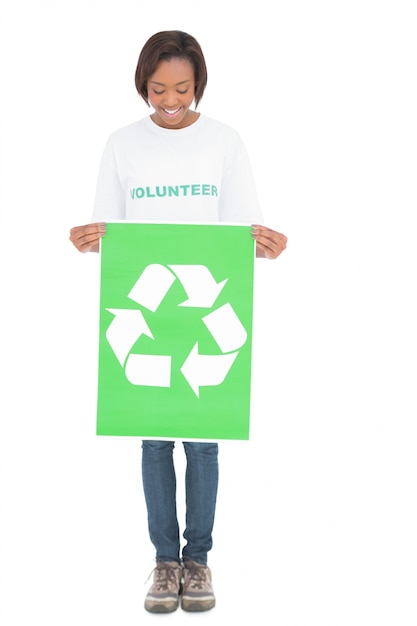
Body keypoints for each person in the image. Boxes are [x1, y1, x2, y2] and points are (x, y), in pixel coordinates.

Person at [70, 30, 287, 613]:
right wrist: (87, 238)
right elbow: (108, 231)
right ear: (142, 83)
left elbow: (242, 229)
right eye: (157, 88)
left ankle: (200, 561)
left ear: (200, 84)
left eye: (182, 89)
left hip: (202, 315)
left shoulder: (225, 141)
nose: (169, 100)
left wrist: (267, 243)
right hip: (148, 318)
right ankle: (165, 563)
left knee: (204, 445)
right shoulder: (121, 144)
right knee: (154, 442)